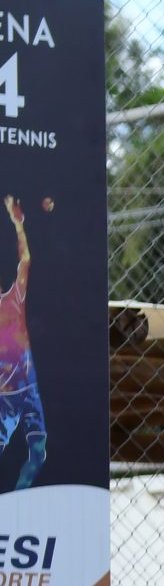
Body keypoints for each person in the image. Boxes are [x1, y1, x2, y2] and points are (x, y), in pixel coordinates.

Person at [0, 195, 44, 491]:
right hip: (4, 400)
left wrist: (18, 224)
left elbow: (26, 260)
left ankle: (19, 505)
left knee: (39, 455)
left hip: (29, 390)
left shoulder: (14, 298)